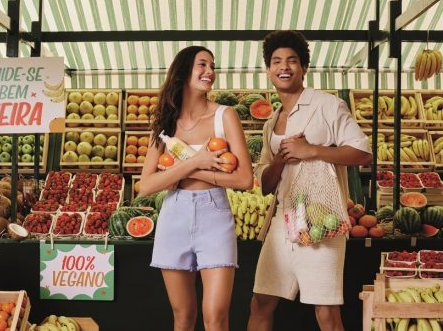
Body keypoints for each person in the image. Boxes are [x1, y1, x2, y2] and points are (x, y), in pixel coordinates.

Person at [246, 31, 372, 331]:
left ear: (303, 68)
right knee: (261, 303)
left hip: (321, 221)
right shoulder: (271, 121)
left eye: (292, 60)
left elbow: (363, 153)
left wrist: (312, 150)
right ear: (268, 70)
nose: (283, 66)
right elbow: (265, 185)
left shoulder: (327, 105)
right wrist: (280, 158)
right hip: (281, 223)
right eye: (276, 61)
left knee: (326, 312)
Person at [139, 45, 253, 331]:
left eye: (212, 66)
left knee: (216, 316)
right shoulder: (166, 123)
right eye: (202, 65)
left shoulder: (224, 117)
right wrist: (193, 164)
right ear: (183, 70)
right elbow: (146, 185)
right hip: (174, 214)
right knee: (183, 317)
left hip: (214, 213)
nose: (210, 72)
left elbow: (244, 179)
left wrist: (197, 168)